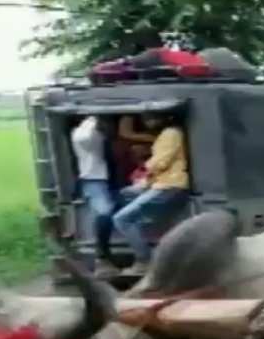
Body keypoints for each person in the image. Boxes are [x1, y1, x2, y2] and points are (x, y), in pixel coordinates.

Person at [112, 113, 190, 274]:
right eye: (147, 119)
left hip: (169, 185)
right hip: (161, 184)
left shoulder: (171, 133)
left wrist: (142, 171)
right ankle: (142, 230)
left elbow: (160, 162)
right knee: (125, 194)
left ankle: (144, 260)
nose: (149, 122)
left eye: (152, 118)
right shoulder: (165, 134)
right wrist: (143, 182)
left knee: (122, 219)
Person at [70, 116, 119, 278]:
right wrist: (93, 122)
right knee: (104, 212)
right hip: (93, 180)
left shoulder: (101, 136)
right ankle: (102, 255)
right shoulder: (83, 134)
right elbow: (84, 137)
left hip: (108, 179)